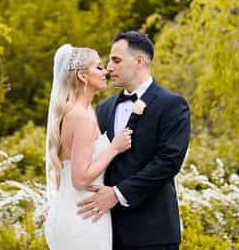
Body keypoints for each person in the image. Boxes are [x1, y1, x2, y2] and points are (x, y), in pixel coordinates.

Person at [78, 31, 191, 250]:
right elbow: (88, 161)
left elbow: (169, 163)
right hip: (106, 232)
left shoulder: (172, 105)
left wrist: (118, 194)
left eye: (116, 60)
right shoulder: (104, 109)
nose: (109, 67)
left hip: (154, 234)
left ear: (139, 61)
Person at [44, 44, 133, 250]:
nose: (106, 72)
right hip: (85, 216)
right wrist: (114, 148)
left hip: (68, 211)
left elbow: (61, 173)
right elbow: (80, 179)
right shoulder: (81, 117)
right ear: (83, 76)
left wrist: (58, 205)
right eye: (99, 67)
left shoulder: (71, 112)